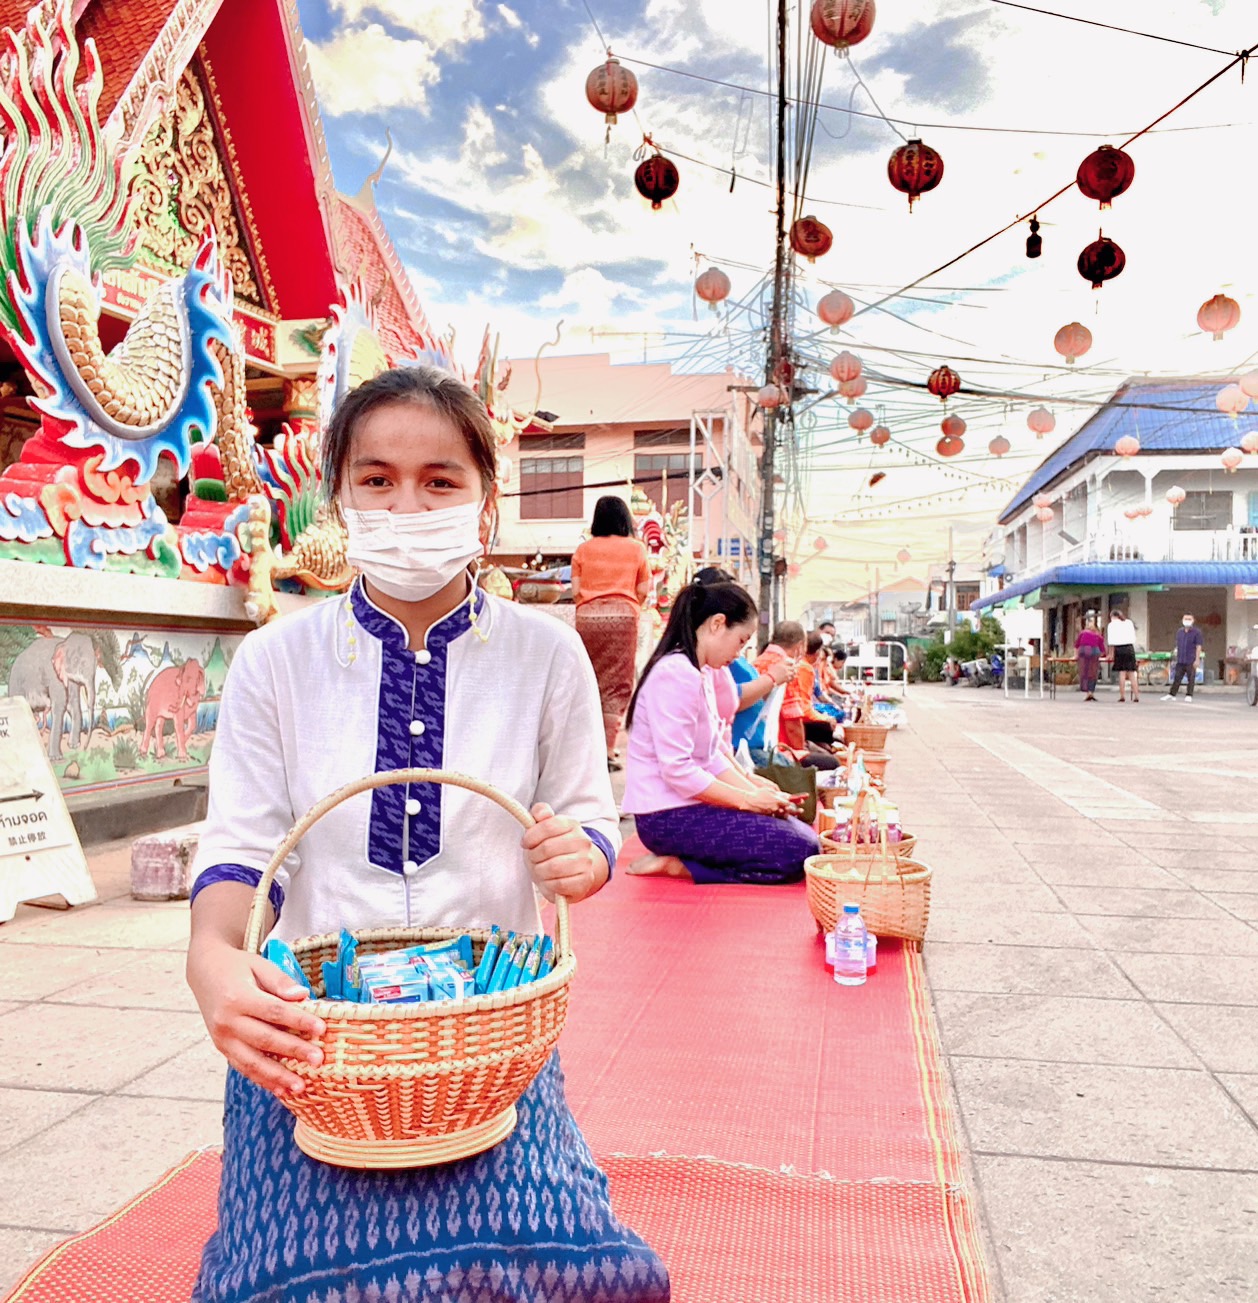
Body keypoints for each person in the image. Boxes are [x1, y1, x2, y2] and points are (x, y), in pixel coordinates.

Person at [185, 366, 669, 1302]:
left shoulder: (548, 654)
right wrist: (212, 954)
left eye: (440, 480)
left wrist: (584, 857)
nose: (406, 505)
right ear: (339, 495)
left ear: (485, 502)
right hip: (317, 1033)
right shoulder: (275, 661)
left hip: (490, 1032)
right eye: (377, 479)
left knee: (602, 1278)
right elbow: (245, 844)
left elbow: (586, 813)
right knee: (284, 1287)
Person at [621, 578, 820, 884]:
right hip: (666, 816)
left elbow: (711, 754)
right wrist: (748, 799)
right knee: (800, 851)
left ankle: (687, 863)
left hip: (684, 807)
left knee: (804, 837)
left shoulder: (698, 671)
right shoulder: (676, 674)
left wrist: (753, 789)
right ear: (717, 624)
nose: (739, 653)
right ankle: (680, 866)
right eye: (740, 641)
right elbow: (678, 770)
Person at [571, 494, 652, 769]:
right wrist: (628, 607)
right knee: (617, 684)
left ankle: (586, 750)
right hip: (623, 618)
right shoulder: (637, 549)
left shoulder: (583, 550)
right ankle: (606, 750)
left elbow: (575, 590)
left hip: (587, 618)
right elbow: (643, 590)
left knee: (589, 678)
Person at [1163, 612, 1204, 702]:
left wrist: (1197, 659)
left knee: (1191, 678)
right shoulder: (1180, 632)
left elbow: (1198, 646)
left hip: (1191, 659)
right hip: (1181, 659)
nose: (1187, 621)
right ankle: (1172, 694)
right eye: (1185, 619)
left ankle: (1189, 695)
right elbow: (1178, 644)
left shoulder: (1197, 632)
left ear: (1193, 620)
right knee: (1177, 677)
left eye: (1189, 619)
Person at [1107, 606, 1139, 702]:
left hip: (1119, 649)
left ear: (1113, 616)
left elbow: (1111, 642)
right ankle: (1136, 696)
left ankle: (1122, 696)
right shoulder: (1129, 622)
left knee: (1122, 673)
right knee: (1132, 673)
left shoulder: (1111, 625)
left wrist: (1110, 654)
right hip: (1129, 648)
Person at [1075, 613, 1105, 701]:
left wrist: (1076, 655)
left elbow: (1076, 645)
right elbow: (1102, 651)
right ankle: (1091, 692)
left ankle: (1086, 690)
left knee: (1084, 672)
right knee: (1093, 673)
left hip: (1083, 651)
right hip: (1094, 652)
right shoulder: (1098, 636)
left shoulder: (1082, 633)